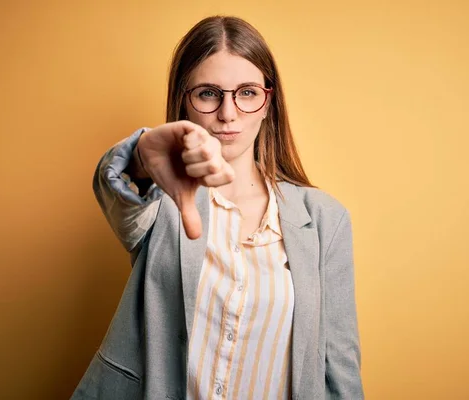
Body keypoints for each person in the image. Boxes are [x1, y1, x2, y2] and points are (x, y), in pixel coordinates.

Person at [72, 15, 363, 400]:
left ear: (267, 103)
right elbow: (117, 190)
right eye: (209, 93)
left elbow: (339, 366)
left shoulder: (326, 219)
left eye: (246, 92)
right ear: (185, 101)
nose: (228, 113)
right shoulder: (162, 199)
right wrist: (143, 156)